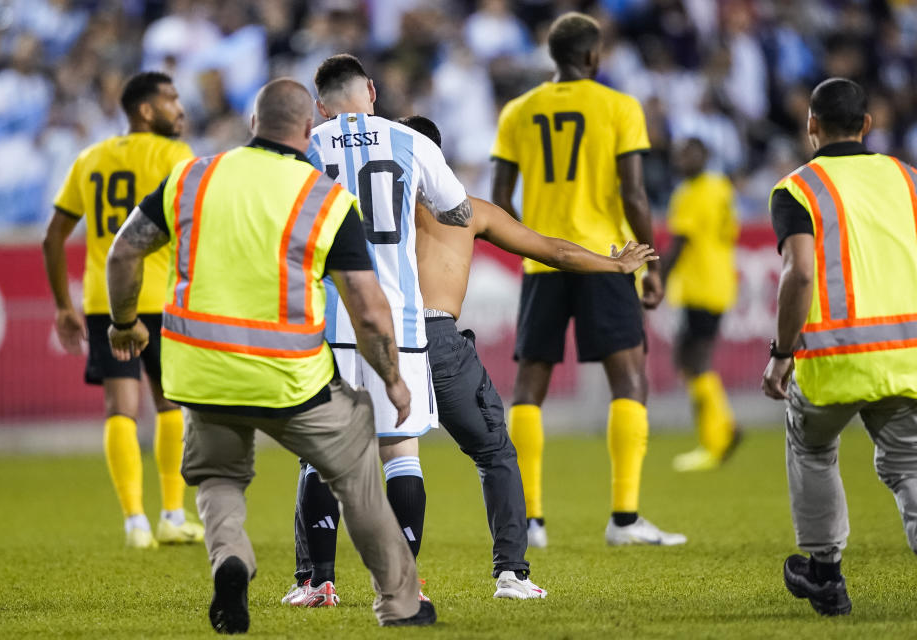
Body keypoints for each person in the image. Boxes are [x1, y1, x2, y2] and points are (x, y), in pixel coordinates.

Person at [104, 78, 435, 632]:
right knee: (357, 471)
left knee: (219, 478)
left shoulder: (192, 177)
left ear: (253, 124)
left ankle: (231, 557)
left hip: (202, 372)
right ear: (309, 131)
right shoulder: (324, 197)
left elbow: (124, 252)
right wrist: (393, 378)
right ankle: (400, 603)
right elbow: (369, 307)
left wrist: (124, 324)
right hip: (291, 376)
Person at [405, 115, 658, 598]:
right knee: (494, 452)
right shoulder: (469, 211)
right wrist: (615, 264)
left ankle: (320, 577)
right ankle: (511, 575)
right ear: (436, 158)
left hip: (375, 339)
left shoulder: (364, 209)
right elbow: (552, 250)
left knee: (345, 459)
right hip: (437, 336)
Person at [283, 54, 472, 608]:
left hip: (332, 319)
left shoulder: (308, 147)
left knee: (324, 452)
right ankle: (401, 585)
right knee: (402, 451)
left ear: (321, 104)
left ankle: (318, 583)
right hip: (399, 323)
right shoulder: (412, 142)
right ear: (370, 90)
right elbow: (458, 211)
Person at [490, 12, 684, 548]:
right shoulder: (619, 106)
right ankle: (624, 519)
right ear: (594, 56)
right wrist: (651, 264)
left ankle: (530, 521)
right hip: (605, 258)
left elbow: (500, 193)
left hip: (543, 262)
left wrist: (531, 239)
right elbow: (635, 195)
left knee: (530, 386)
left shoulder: (518, 111)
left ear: (554, 57)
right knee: (630, 381)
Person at [763, 77, 917, 617]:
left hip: (832, 361)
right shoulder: (908, 179)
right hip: (906, 357)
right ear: (867, 125)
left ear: (811, 126)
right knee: (910, 468)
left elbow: (799, 272)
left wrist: (782, 352)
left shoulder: (797, 189)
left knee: (812, 448)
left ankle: (825, 574)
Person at [41, 71, 204, 549]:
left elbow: (52, 236)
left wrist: (62, 307)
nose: (180, 108)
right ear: (146, 110)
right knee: (170, 402)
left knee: (120, 409)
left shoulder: (90, 159)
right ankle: (172, 514)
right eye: (172, 100)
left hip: (106, 301)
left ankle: (135, 522)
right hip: (164, 297)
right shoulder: (176, 156)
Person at [659, 138, 742, 472]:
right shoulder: (720, 186)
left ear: (705, 156)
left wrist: (656, 282)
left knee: (696, 360)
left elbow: (679, 244)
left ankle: (719, 438)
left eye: (690, 153)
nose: (683, 159)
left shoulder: (690, 194)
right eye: (680, 153)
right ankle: (720, 431)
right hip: (719, 280)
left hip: (701, 285)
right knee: (688, 360)